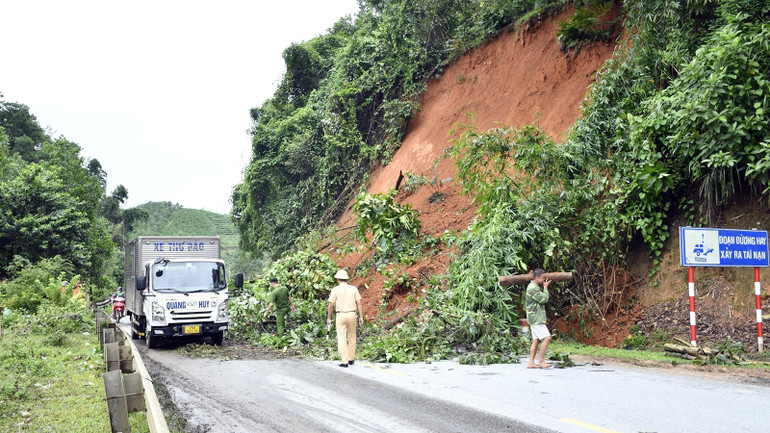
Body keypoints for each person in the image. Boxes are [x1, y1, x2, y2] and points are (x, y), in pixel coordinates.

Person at [327, 269, 364, 368]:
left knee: (342, 337)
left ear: (338, 279)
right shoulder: (353, 289)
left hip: (341, 315)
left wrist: (329, 318)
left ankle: (344, 361)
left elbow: (331, 305)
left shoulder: (335, 289)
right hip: (352, 314)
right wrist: (361, 317)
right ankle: (351, 359)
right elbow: (359, 303)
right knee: (352, 336)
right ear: (346, 279)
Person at [526, 268, 552, 368]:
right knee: (547, 337)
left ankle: (531, 362)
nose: (543, 280)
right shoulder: (533, 288)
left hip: (533, 317)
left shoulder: (533, 286)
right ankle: (541, 361)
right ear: (536, 278)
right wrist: (545, 288)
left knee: (536, 339)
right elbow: (543, 299)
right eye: (542, 278)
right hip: (536, 317)